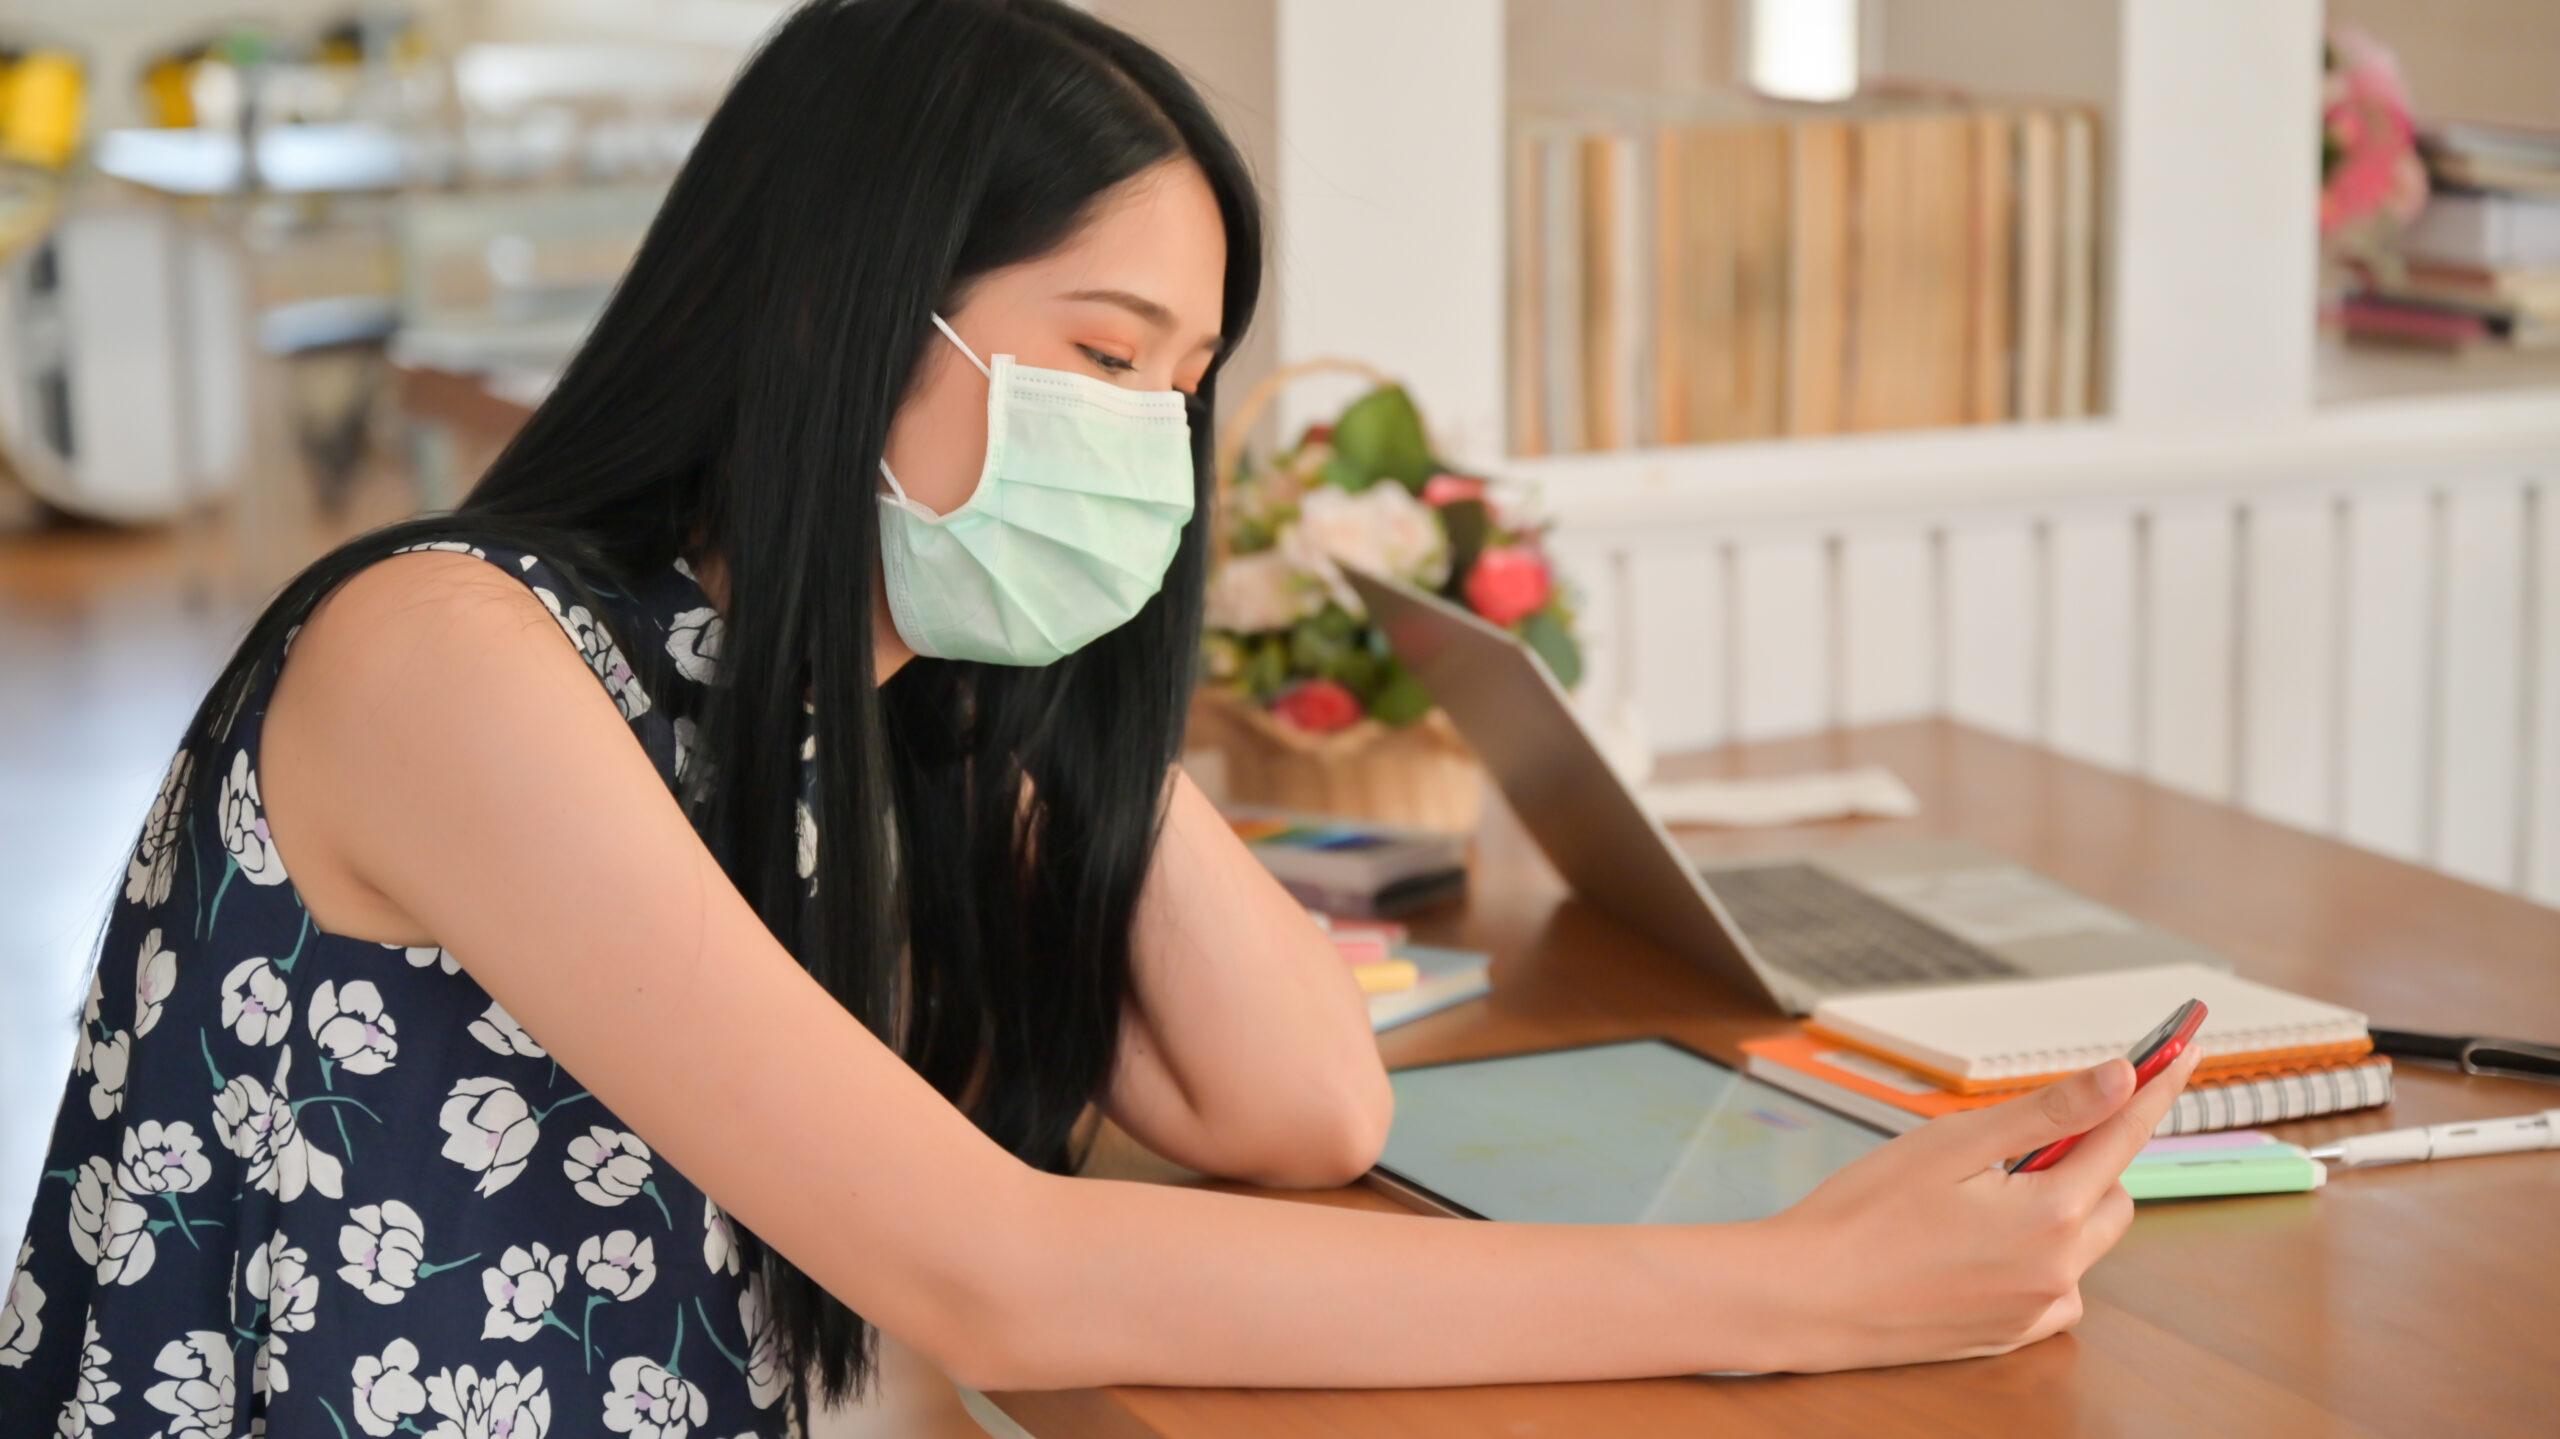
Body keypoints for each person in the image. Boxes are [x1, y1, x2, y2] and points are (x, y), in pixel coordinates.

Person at [0, 1, 2200, 1433]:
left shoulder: (843, 704)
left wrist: (1041, 643)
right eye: (1096, 353)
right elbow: (1008, 1279)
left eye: (1178, 389)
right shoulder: (448, 657)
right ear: (839, 311)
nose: (1141, 444)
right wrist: (1793, 1291)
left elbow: (1296, 1103)